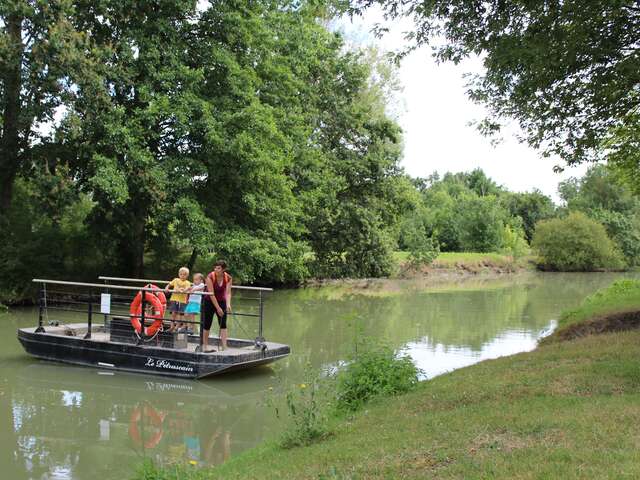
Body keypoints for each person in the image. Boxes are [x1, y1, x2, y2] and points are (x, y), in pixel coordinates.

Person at [202, 260, 232, 352]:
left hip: (221, 301)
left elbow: (228, 292)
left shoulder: (228, 278)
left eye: (218, 268)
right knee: (207, 324)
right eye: (215, 267)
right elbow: (211, 294)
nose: (216, 269)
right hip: (209, 301)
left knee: (223, 324)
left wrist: (228, 304)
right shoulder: (210, 277)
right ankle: (205, 346)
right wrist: (218, 308)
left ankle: (224, 346)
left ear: (223, 269)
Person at [164, 267, 191, 332]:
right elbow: (169, 284)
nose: (182, 276)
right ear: (179, 274)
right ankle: (171, 326)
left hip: (182, 301)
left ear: (187, 275)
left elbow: (187, 289)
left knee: (180, 314)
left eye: (184, 274)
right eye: (181, 274)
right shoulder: (175, 280)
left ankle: (177, 326)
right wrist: (166, 287)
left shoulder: (187, 282)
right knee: (173, 313)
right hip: (174, 299)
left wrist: (181, 290)